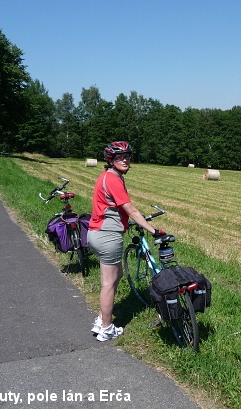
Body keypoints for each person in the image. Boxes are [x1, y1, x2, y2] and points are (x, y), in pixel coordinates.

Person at [87, 141, 167, 341]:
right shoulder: (113, 179)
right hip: (107, 236)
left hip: (97, 233)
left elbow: (115, 208)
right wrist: (153, 230)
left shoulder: (108, 177)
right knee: (108, 282)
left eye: (127, 156)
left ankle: (100, 319)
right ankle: (106, 328)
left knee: (117, 275)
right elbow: (130, 209)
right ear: (111, 160)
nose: (125, 159)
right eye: (119, 157)